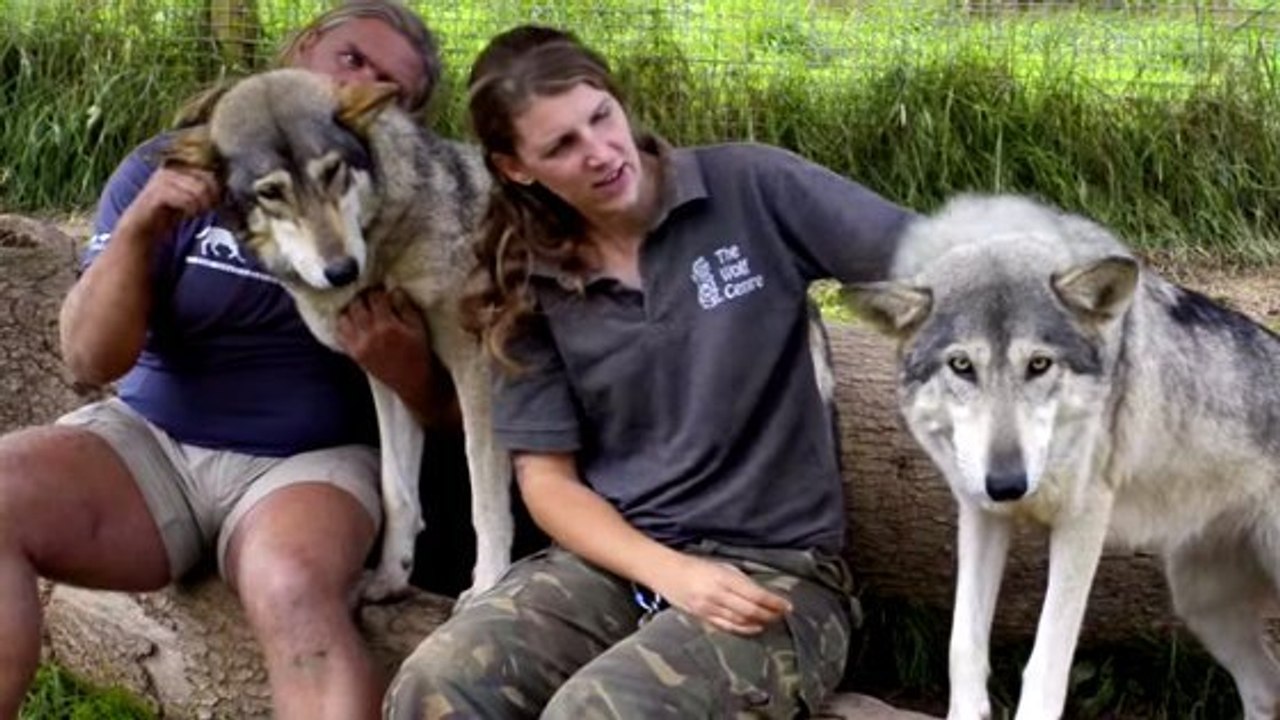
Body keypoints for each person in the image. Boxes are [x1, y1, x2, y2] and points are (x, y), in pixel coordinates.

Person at [384, 24, 917, 719]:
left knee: (597, 713)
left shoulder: (750, 186)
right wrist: (671, 573)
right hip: (612, 565)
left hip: (779, 573)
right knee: (435, 683)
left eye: (601, 116)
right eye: (561, 146)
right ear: (516, 168)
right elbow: (546, 483)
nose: (601, 152)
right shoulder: (525, 278)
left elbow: (933, 258)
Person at [0, 3, 448, 719]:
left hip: (308, 465)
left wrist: (404, 366)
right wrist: (141, 226)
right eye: (354, 58)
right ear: (303, 48)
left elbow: (459, 414)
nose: (363, 84)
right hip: (149, 442)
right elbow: (89, 357)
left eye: (392, 88)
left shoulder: (406, 208)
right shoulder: (172, 163)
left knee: (293, 586)